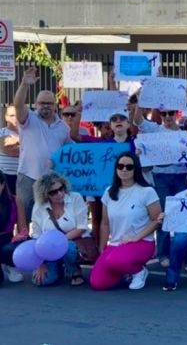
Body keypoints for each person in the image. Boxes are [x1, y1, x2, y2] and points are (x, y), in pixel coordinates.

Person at [90, 152, 163, 291]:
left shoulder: (147, 191)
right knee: (97, 282)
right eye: (120, 166)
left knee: (114, 261)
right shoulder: (109, 192)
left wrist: (136, 237)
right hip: (117, 243)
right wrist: (102, 247)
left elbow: (157, 220)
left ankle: (139, 271)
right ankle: (124, 270)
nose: (124, 169)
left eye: (129, 167)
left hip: (141, 242)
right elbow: (104, 223)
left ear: (136, 169)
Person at [13, 67, 72, 223]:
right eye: (41, 103)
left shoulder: (64, 127)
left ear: (55, 105)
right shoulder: (28, 119)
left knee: (53, 216)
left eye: (49, 103)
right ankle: (23, 244)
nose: (45, 106)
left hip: (54, 180)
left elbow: (70, 152)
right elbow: (18, 105)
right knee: (24, 216)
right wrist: (24, 84)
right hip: (29, 176)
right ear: (36, 104)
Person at [134, 105, 187, 267]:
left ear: (176, 113)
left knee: (182, 214)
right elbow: (137, 121)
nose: (167, 116)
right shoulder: (154, 129)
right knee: (163, 215)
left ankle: (181, 252)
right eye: (163, 113)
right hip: (161, 177)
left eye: (170, 112)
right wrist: (139, 101)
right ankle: (163, 253)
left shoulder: (184, 130)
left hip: (181, 176)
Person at [29, 172, 90, 286]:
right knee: (42, 281)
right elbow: (36, 235)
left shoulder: (76, 198)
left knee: (67, 248)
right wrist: (40, 264)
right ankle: (57, 267)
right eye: (53, 192)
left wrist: (58, 241)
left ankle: (74, 270)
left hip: (72, 242)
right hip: (47, 247)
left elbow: (82, 227)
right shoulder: (39, 205)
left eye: (61, 188)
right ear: (45, 194)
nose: (59, 193)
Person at [0, 171, 27, 284]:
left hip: (7, 240)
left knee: (10, 248)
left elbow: (23, 230)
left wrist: (20, 237)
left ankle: (10, 265)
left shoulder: (16, 201)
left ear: (3, 184)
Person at [0, 106, 20, 195]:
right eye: (12, 115)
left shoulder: (29, 133)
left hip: (23, 176)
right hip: (4, 176)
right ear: (6, 117)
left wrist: (14, 141)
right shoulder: (1, 132)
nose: (15, 118)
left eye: (17, 115)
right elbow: (7, 149)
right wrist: (24, 143)